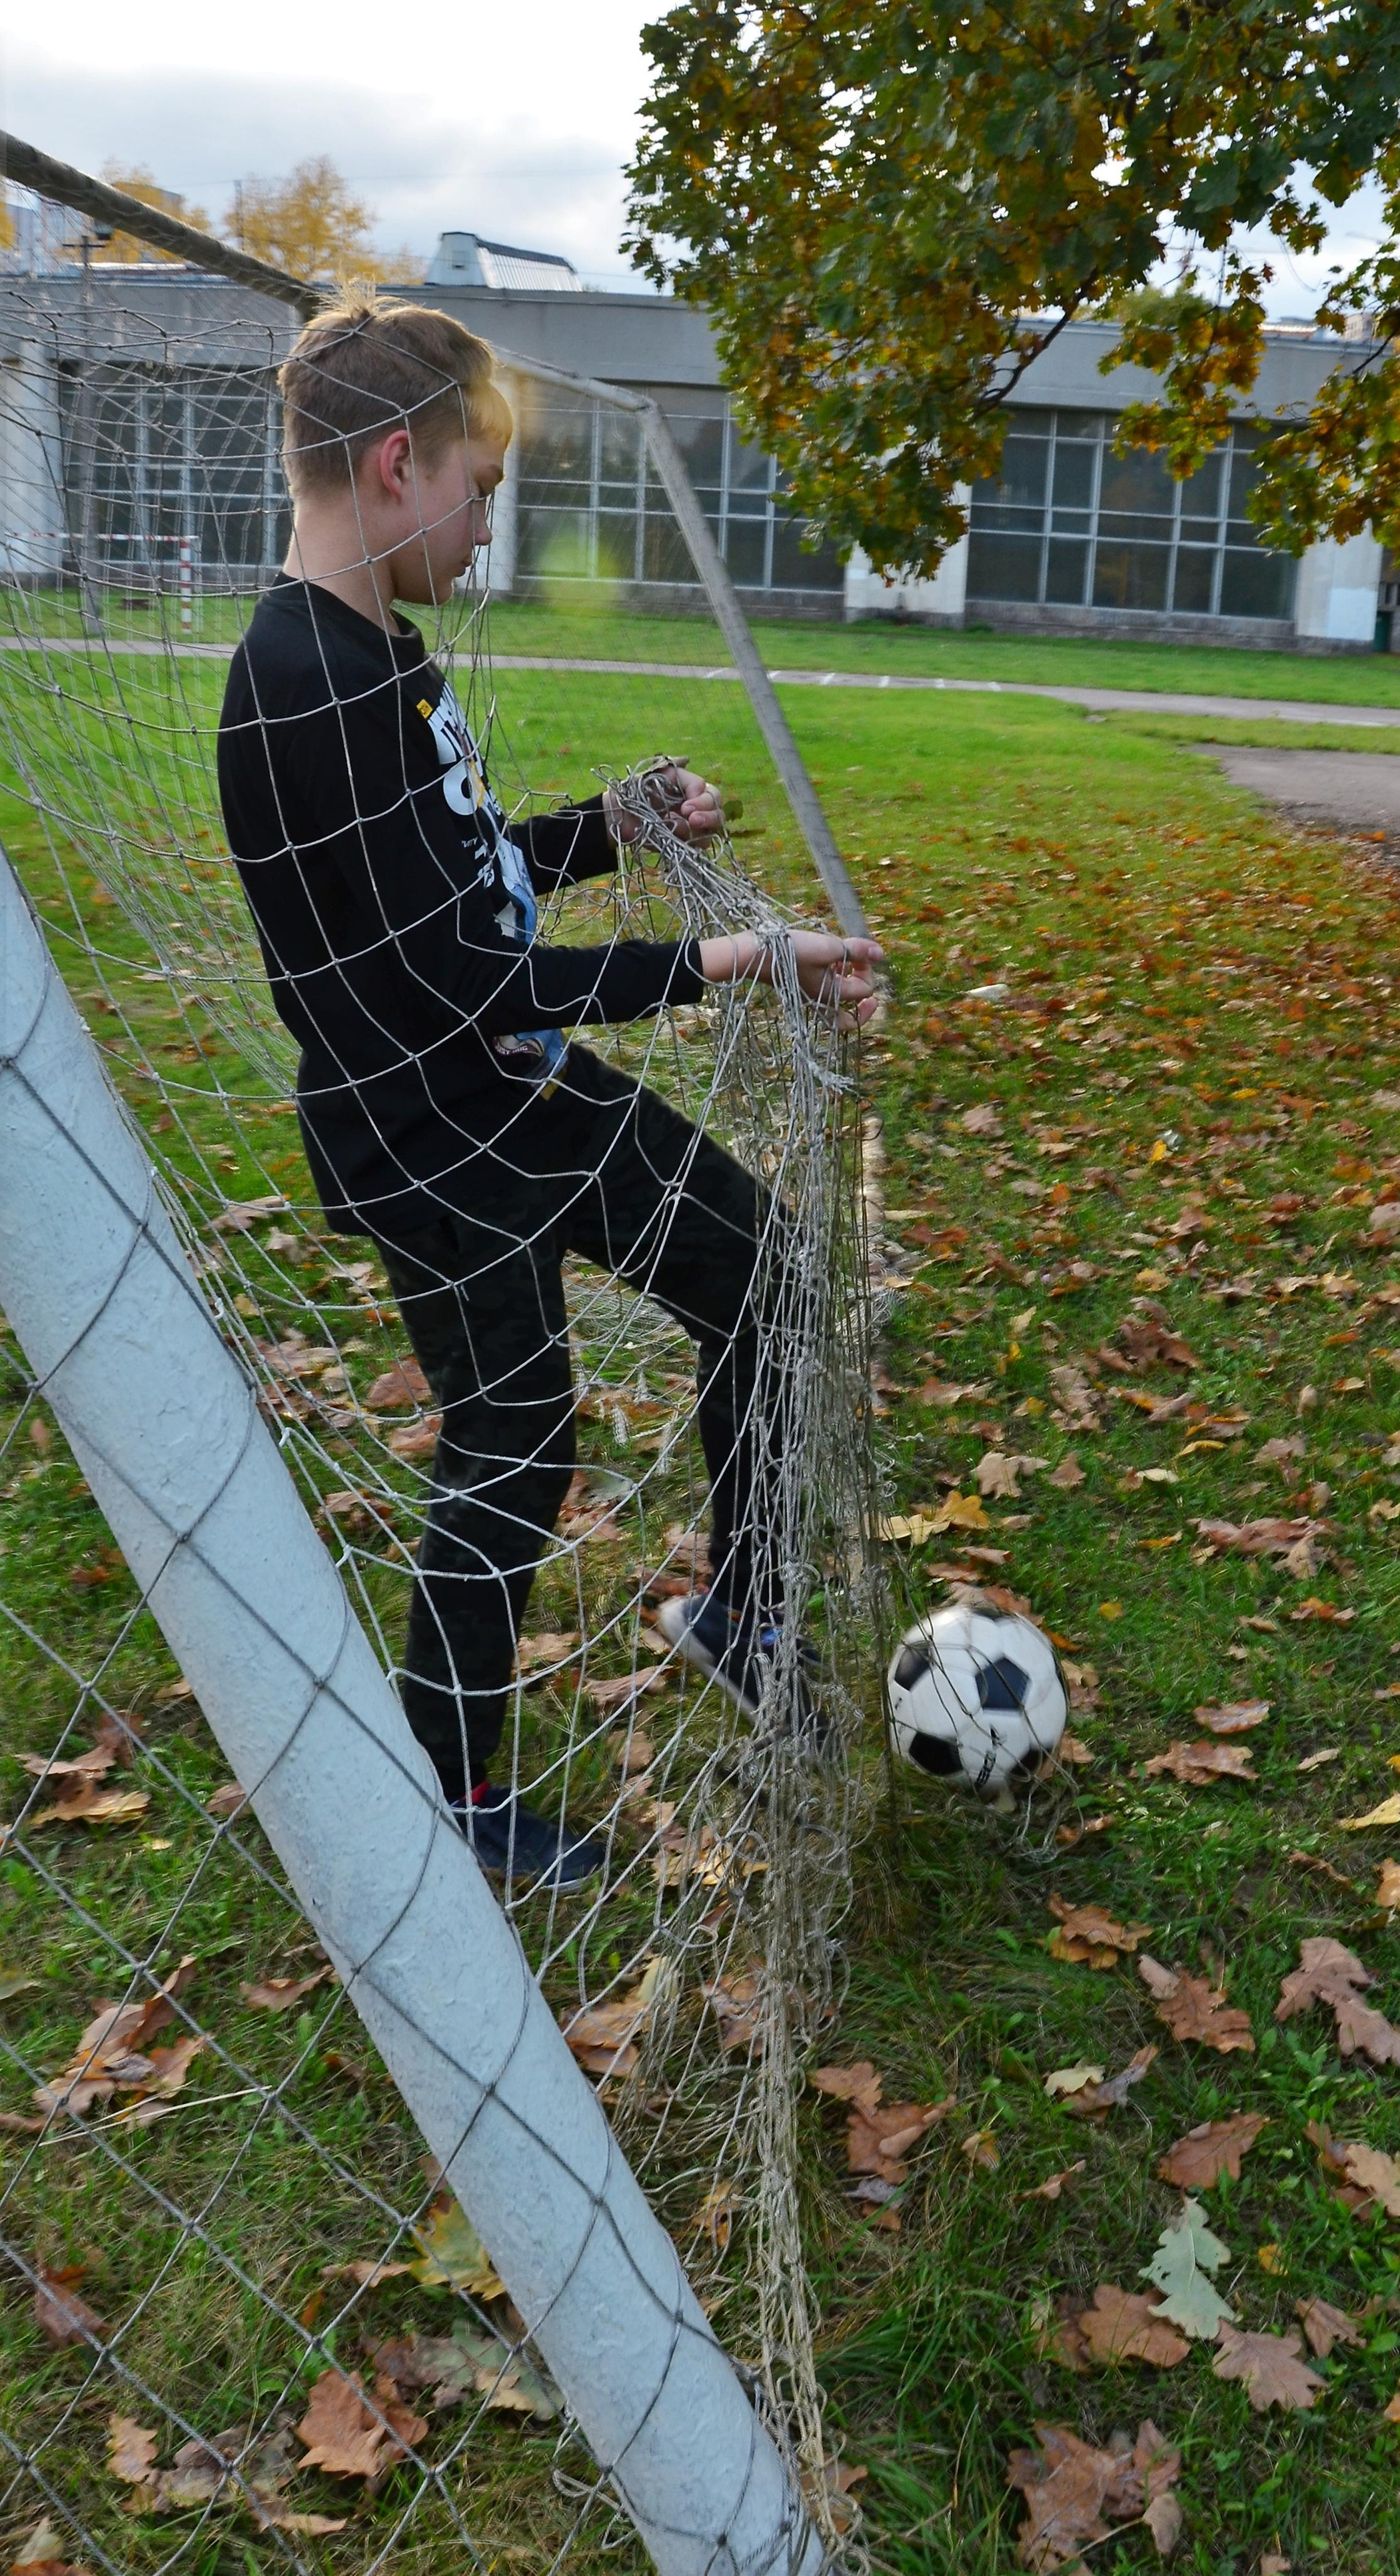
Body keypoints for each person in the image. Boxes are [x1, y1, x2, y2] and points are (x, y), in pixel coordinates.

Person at [217, 295, 881, 1890]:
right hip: (419, 1134)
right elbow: (460, 976)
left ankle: (743, 1606)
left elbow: (461, 882)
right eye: (484, 481)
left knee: (761, 1268)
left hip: (508, 1086)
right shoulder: (300, 683)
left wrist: (606, 821)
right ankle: (440, 1796)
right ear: (395, 465)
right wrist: (719, 962)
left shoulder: (382, 648)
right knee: (516, 1441)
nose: (492, 517)